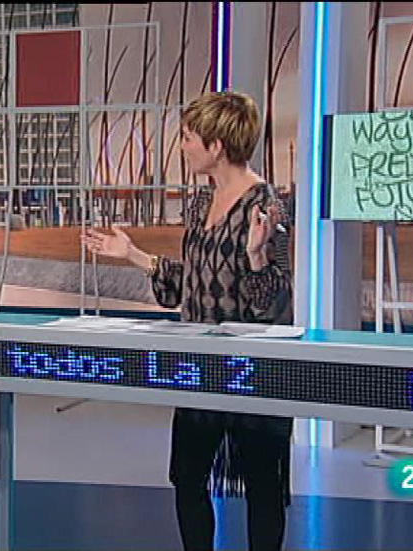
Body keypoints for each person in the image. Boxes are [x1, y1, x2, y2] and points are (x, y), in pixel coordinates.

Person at [82, 91, 293, 551]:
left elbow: (275, 307)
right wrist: (133, 255)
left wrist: (257, 256)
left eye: (188, 137)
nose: (182, 146)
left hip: (250, 372)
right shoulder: (201, 204)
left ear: (216, 145)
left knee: (262, 487)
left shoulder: (265, 206)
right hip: (198, 368)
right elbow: (191, 283)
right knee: (188, 478)